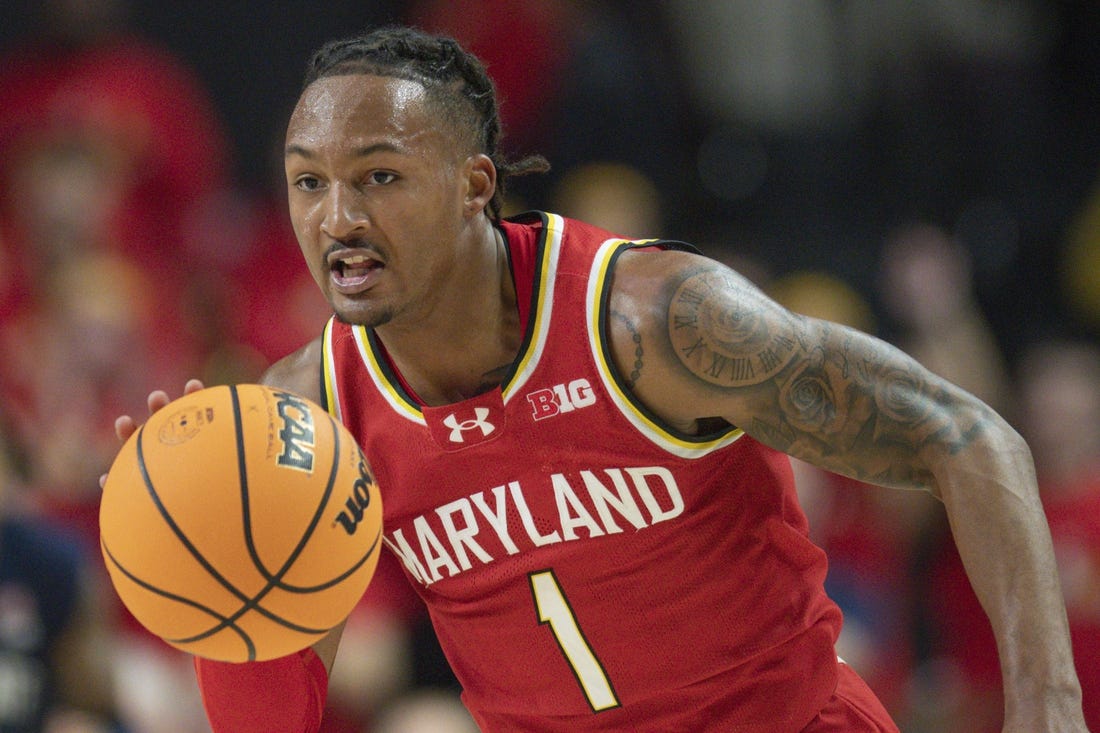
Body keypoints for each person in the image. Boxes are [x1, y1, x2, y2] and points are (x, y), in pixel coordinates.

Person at [109, 26, 1088, 732]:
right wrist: (211, 564)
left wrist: (1045, 703)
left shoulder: (652, 321)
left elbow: (963, 436)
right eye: (307, 181)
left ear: (473, 185)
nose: (337, 218)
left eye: (378, 176)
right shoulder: (309, 416)